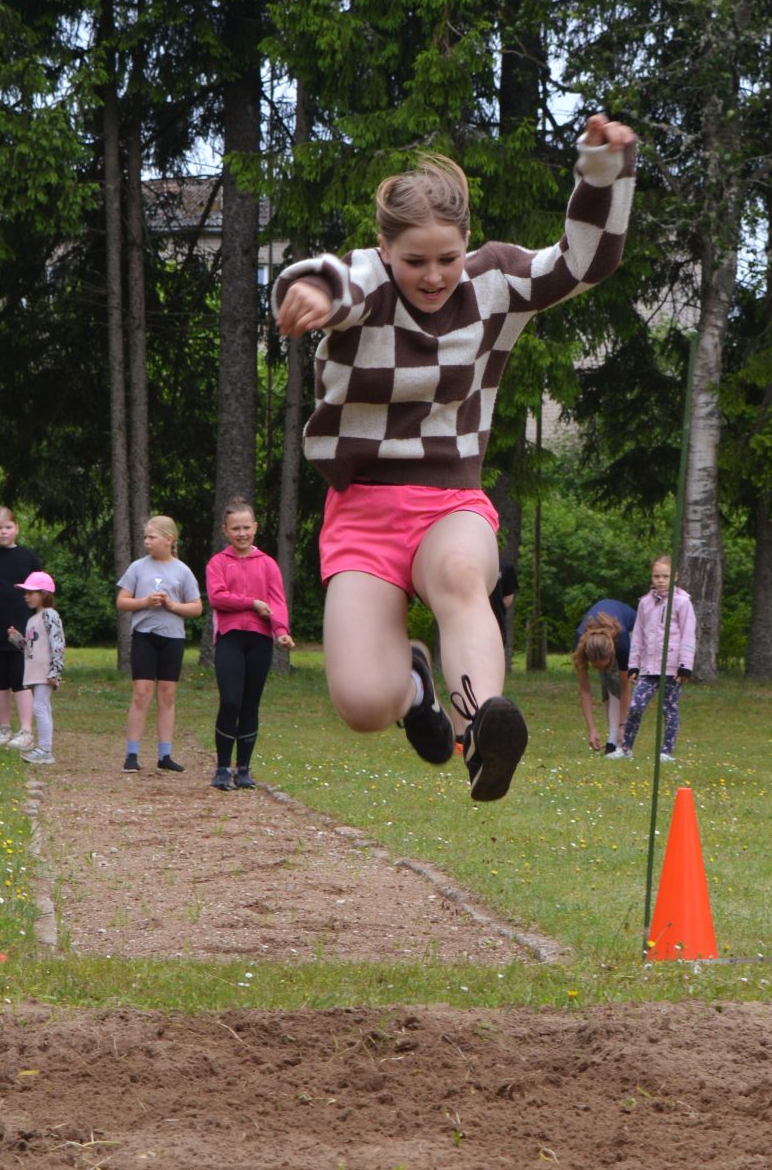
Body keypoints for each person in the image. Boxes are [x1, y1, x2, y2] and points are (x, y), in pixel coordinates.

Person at [273, 114, 637, 802]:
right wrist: (314, 293)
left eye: (447, 257)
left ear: (467, 242)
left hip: (451, 502)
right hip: (363, 509)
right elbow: (337, 279)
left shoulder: (492, 282)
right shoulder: (367, 282)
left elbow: (581, 264)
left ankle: (480, 737)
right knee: (362, 704)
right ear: (386, 249)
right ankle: (415, 688)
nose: (434, 276)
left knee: (463, 575)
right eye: (414, 261)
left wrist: (600, 170)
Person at [204, 498, 294, 790]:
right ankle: (222, 769)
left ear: (255, 527)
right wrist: (252, 603)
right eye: (235, 529)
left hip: (259, 640)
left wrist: (281, 630)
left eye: (246, 527)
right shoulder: (218, 563)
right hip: (230, 638)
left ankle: (243, 770)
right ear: (225, 531)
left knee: (250, 704)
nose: (241, 533)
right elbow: (217, 597)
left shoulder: (268, 564)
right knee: (231, 700)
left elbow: (277, 601)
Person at [117, 515, 202, 773]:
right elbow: (122, 602)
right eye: (145, 537)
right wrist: (145, 602)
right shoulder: (137, 568)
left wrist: (172, 605)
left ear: (169, 539)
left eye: (151, 537)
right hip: (144, 636)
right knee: (141, 692)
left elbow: (196, 607)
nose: (146, 541)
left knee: (167, 694)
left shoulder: (182, 571)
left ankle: (165, 755)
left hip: (173, 639)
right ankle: (132, 754)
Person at [616, 556, 695, 763]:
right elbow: (638, 635)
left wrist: (685, 665)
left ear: (674, 576)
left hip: (672, 668)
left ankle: (666, 752)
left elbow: (688, 634)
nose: (660, 580)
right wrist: (634, 665)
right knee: (635, 706)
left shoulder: (683, 602)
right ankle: (625, 748)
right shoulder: (645, 603)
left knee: (669, 710)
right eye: (656, 576)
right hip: (648, 668)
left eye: (665, 576)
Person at [0, 506, 36, 749]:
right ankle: (3, 727)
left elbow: (40, 590)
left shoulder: (27, 557)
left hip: (22, 627)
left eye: (8, 527)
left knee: (20, 678)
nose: (3, 532)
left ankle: (26, 729)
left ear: (17, 528)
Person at [10, 572, 65, 767]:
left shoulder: (50, 615)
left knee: (40, 707)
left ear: (43, 594)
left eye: (30, 593)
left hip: (45, 671)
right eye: (25, 593)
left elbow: (57, 642)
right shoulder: (33, 619)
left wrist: (55, 669)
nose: (26, 596)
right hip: (35, 672)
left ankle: (45, 750)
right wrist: (17, 639)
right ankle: (44, 749)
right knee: (42, 707)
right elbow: (30, 648)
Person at [574, 598, 637, 754]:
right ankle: (612, 740)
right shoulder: (580, 644)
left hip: (634, 628)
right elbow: (585, 691)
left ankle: (620, 741)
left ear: (611, 652)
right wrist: (592, 730)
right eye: (596, 666)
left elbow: (624, 688)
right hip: (602, 637)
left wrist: (623, 725)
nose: (600, 669)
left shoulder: (622, 643)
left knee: (615, 681)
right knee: (607, 680)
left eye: (604, 663)